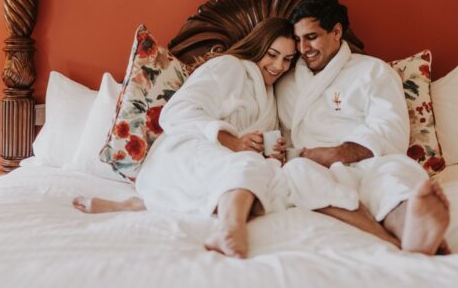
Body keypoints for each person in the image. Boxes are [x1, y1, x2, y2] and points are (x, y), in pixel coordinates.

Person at [73, 17, 295, 259]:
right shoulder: (228, 67)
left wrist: (268, 149)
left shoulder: (271, 95)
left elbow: (256, 141)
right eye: (272, 54)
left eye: (287, 59)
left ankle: (139, 204)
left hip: (224, 158)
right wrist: (234, 142)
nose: (278, 66)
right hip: (187, 148)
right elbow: (176, 112)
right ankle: (231, 228)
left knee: (268, 172)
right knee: (248, 166)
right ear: (259, 47)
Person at [276, 0, 450, 255]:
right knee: (297, 173)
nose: (303, 48)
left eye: (311, 37)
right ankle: (389, 237)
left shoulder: (373, 71)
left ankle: (415, 223)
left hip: (371, 161)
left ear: (336, 31)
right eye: (298, 39)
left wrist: (339, 152)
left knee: (395, 177)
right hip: (314, 166)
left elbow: (391, 129)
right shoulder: (285, 82)